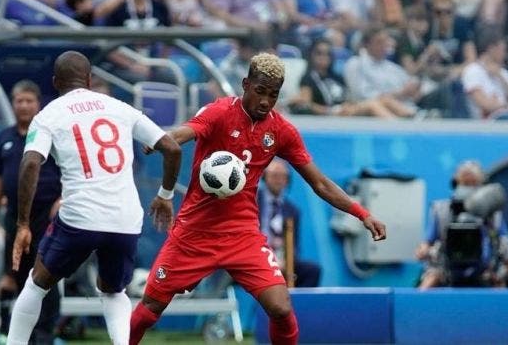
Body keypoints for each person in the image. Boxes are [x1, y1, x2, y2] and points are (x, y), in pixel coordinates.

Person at [130, 52, 387, 345]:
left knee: (280, 308)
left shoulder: (281, 130)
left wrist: (362, 213)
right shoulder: (220, 112)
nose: (266, 101)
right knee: (151, 308)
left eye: (274, 95)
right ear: (245, 84)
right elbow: (185, 132)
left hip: (242, 235)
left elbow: (319, 182)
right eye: (260, 92)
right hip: (194, 233)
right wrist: (164, 140)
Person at [7, 51, 182, 345]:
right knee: (114, 292)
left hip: (80, 217)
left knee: (37, 285)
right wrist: (165, 195)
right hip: (125, 218)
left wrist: (23, 223)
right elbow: (172, 148)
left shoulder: (49, 115)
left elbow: (30, 163)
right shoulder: (120, 107)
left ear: (54, 83)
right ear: (88, 80)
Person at [0, 81, 62, 343]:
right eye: (20, 100)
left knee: (45, 273)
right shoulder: (4, 138)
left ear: (38, 103)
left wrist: (63, 199)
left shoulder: (50, 133)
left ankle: (45, 334)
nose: (24, 105)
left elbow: (71, 170)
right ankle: (15, 333)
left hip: (46, 217)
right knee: (15, 274)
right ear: (13, 103)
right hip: (15, 218)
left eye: (29, 100)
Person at [415, 160, 508, 288]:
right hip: (447, 270)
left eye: (473, 184)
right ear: (455, 184)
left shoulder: (494, 216)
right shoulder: (440, 211)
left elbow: (506, 248)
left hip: (485, 271)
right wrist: (424, 251)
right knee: (430, 278)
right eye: (465, 183)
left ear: (482, 186)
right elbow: (425, 245)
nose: (469, 188)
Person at [290, 39, 411, 119]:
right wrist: (329, 111)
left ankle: (412, 116)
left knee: (384, 99)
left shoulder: (336, 76)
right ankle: (396, 128)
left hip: (346, 108)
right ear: (311, 55)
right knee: (372, 105)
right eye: (319, 53)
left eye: (327, 54)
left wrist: (349, 105)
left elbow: (347, 96)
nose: (324, 57)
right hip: (331, 113)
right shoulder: (308, 78)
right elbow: (306, 104)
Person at [258, 160, 321, 287]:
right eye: (275, 175)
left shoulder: (292, 210)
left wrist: (285, 262)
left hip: (281, 260)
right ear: (265, 177)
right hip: (254, 255)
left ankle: (296, 306)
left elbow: (294, 245)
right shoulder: (252, 201)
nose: (279, 180)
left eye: (283, 176)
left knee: (312, 271)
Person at [460, 34, 508, 120]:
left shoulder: (502, 72)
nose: (505, 55)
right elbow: (485, 104)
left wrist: (500, 77)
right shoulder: (472, 70)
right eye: (503, 50)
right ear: (491, 49)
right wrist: (507, 105)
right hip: (488, 121)